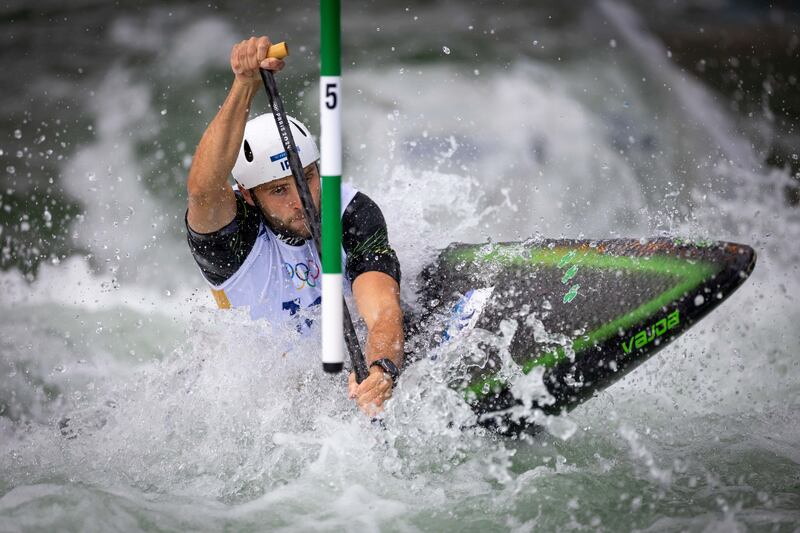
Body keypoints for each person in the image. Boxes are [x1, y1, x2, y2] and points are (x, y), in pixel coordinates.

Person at [185, 36, 403, 416]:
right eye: (279, 190)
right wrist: (245, 84)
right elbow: (203, 191)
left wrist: (382, 368)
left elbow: (383, 310)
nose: (301, 200)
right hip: (272, 398)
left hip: (350, 366)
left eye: (307, 178)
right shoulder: (234, 241)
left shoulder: (350, 212)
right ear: (248, 195)